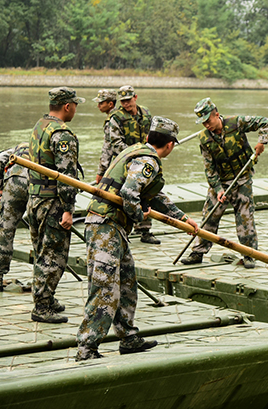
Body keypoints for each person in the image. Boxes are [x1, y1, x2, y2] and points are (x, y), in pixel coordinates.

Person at [76, 117, 199, 361]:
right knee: (105, 289)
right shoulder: (148, 160)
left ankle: (128, 338)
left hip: (115, 228)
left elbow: (154, 196)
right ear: (171, 144)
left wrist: (183, 218)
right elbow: (129, 193)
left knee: (127, 283)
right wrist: (138, 215)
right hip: (105, 227)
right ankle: (87, 348)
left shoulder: (135, 150)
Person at [180, 98, 268, 268]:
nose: (206, 125)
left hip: (242, 178)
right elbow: (209, 168)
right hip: (221, 181)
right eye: (203, 123)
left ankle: (249, 254)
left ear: (216, 114)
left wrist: (262, 142)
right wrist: (218, 189)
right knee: (209, 217)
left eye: (208, 121)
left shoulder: (236, 123)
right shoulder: (204, 139)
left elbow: (265, 122)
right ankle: (197, 253)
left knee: (245, 217)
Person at [28, 87, 84, 323]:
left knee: (42, 251)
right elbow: (66, 176)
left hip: (35, 198)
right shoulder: (62, 134)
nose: (76, 109)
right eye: (75, 105)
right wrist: (68, 209)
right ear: (67, 106)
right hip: (53, 202)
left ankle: (46, 298)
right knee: (53, 256)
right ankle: (41, 306)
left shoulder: (39, 126)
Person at [105, 85, 159, 244]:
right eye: (123, 101)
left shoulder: (146, 113)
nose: (126, 104)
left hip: (144, 158)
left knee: (146, 192)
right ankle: (122, 228)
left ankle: (144, 229)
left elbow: (152, 135)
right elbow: (115, 142)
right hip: (125, 160)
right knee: (124, 193)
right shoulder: (116, 117)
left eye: (128, 100)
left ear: (135, 97)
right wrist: (134, 153)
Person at [0, 143, 30, 291]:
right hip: (38, 184)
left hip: (13, 182)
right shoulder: (47, 144)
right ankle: (43, 281)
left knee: (5, 230)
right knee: (40, 230)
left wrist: (0, 187)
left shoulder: (19, 147)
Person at [93, 89, 118, 185]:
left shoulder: (112, 120)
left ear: (110, 104)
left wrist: (101, 172)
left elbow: (108, 148)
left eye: (101, 103)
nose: (98, 106)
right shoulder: (122, 115)